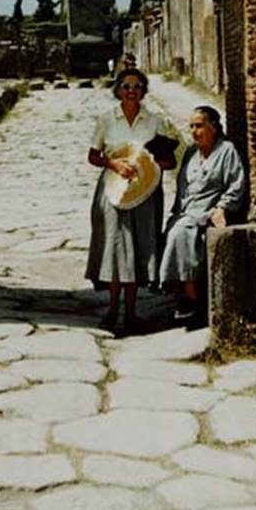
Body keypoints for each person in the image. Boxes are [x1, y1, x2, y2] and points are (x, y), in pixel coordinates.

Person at [86, 67, 175, 333]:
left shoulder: (155, 122)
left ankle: (132, 312)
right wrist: (113, 163)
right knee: (115, 248)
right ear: (117, 90)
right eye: (126, 86)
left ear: (144, 91)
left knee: (137, 248)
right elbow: (93, 156)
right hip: (113, 190)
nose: (131, 91)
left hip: (145, 192)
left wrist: (147, 163)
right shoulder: (106, 120)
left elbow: (169, 161)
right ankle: (113, 310)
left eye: (137, 87)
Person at [159, 105, 246, 328]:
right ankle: (179, 293)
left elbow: (236, 184)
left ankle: (191, 298)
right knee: (171, 230)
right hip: (187, 210)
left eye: (199, 126)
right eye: (191, 127)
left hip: (207, 209)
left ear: (213, 127)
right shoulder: (190, 152)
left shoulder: (226, 151)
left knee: (181, 234)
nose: (194, 132)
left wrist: (222, 207)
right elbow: (182, 187)